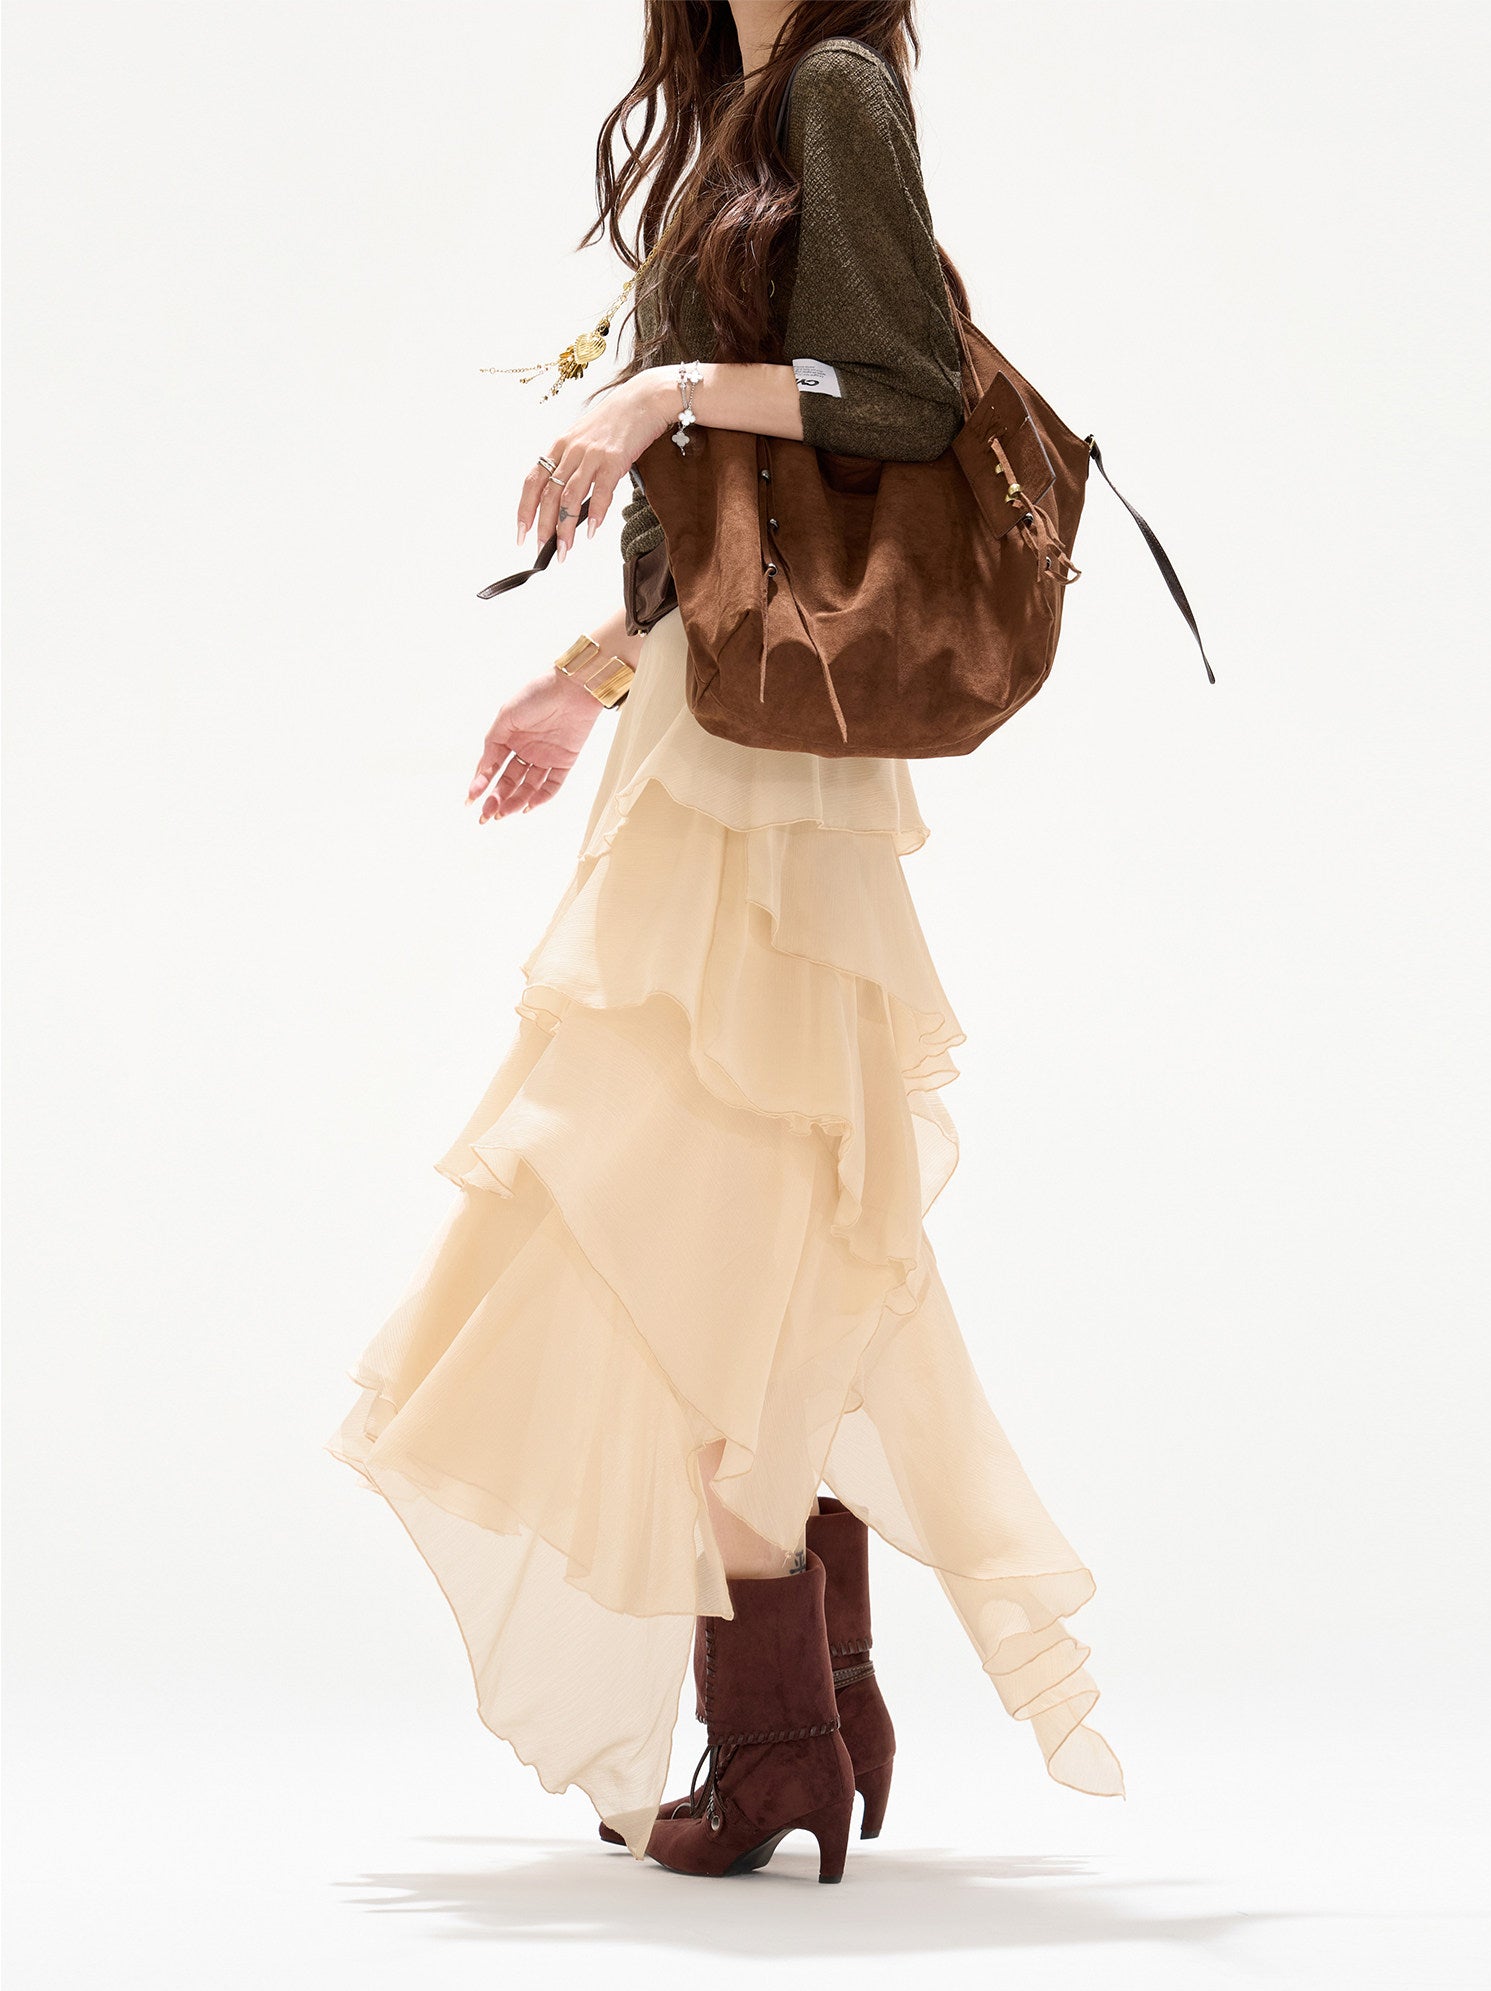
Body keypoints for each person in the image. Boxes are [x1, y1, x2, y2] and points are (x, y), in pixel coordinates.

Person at [328, 0, 1123, 1885]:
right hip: (710, 744)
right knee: (746, 1227)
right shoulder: (743, 113)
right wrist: (586, 672)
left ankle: (777, 1738)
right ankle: (811, 1706)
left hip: (763, 789)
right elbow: (729, 519)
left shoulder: (835, 85)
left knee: (700, 1223)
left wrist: (660, 388)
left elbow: (900, 396)